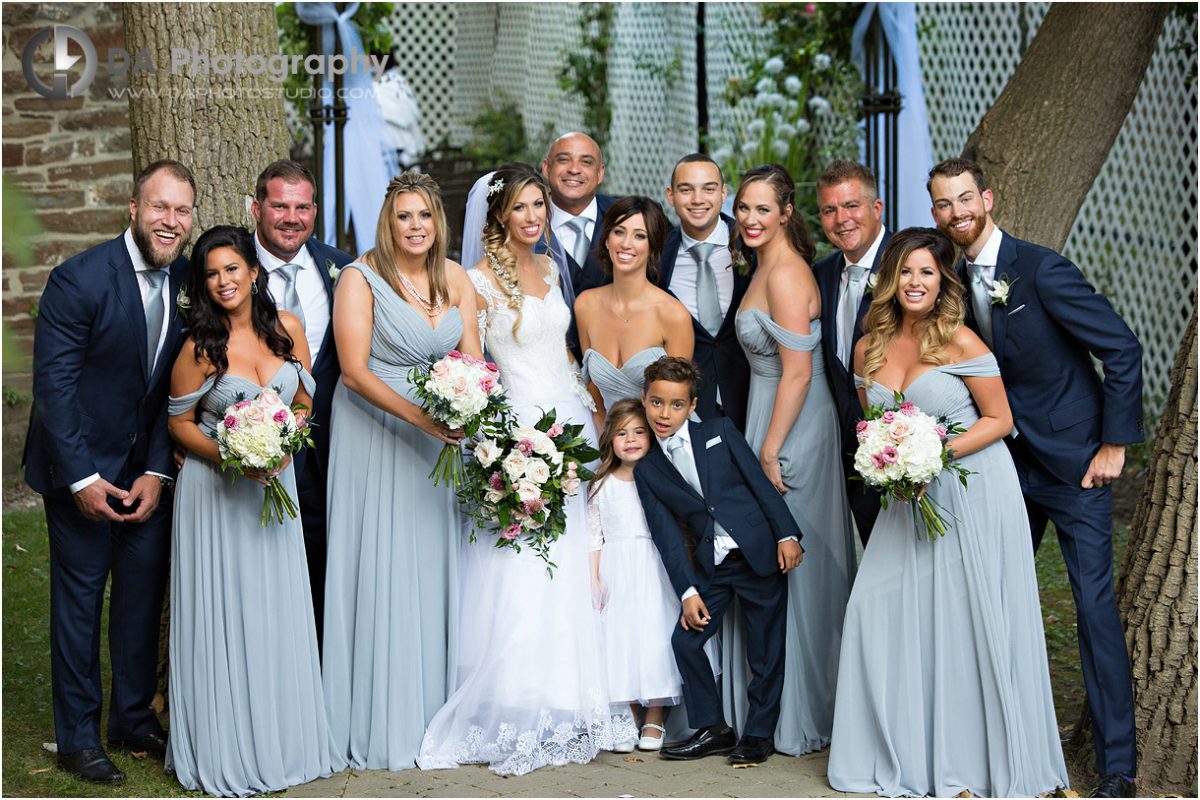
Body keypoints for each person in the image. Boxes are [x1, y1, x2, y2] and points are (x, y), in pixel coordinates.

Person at [927, 158, 1143, 799]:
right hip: (1006, 465)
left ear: (987, 199)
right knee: (992, 596)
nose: (957, 212)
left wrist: (1112, 445)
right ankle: (1001, 747)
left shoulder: (1042, 268)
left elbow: (1122, 348)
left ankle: (1118, 768)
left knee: (1092, 609)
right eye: (944, 204)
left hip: (1077, 467)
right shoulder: (951, 278)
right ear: (935, 211)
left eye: (966, 199)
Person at [827, 227, 1068, 797]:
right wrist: (894, 464)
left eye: (927, 273)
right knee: (874, 610)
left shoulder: (962, 342)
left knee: (962, 621)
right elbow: (875, 428)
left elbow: (1000, 421)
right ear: (890, 279)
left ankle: (964, 766)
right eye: (905, 272)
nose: (915, 282)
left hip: (975, 490)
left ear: (943, 282)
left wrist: (933, 452)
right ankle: (904, 752)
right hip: (907, 498)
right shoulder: (868, 348)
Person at [418, 162, 635, 776]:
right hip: (519, 426)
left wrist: (591, 412)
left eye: (540, 205)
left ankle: (570, 692)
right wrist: (506, 440)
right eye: (521, 207)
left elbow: (563, 351)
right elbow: (475, 363)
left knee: (571, 560)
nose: (535, 216)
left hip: (571, 420)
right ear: (498, 217)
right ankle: (516, 695)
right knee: (520, 561)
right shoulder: (475, 281)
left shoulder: (551, 267)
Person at [23, 159, 195, 785]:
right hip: (79, 471)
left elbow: (169, 390)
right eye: (159, 207)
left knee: (140, 599)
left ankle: (130, 719)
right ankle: (77, 735)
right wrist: (82, 481)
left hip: (144, 473)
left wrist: (157, 471)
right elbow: (55, 391)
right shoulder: (79, 280)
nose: (169, 221)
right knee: (80, 599)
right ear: (133, 208)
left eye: (181, 210)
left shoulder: (188, 286)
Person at [165, 225, 335, 795]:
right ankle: (228, 741)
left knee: (276, 612)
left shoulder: (288, 330)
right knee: (228, 611)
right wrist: (233, 458)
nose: (223, 282)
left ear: (254, 272)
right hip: (218, 496)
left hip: (276, 491)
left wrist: (285, 441)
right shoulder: (199, 347)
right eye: (211, 274)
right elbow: (179, 423)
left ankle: (284, 737)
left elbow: (306, 399)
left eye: (232, 269)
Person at [322, 170, 482, 771]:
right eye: (404, 217)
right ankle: (377, 717)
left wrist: (472, 404)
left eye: (425, 216)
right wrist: (423, 419)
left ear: (439, 223)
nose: (416, 227)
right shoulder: (359, 279)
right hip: (379, 432)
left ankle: (435, 713)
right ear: (388, 223)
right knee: (381, 564)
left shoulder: (455, 278)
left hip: (442, 434)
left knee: (430, 565)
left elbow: (474, 359)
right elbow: (356, 370)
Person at [730, 164, 856, 756]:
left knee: (798, 563)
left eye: (763, 209)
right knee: (776, 564)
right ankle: (777, 703)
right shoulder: (763, 267)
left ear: (786, 213)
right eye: (744, 209)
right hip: (770, 409)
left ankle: (809, 708)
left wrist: (771, 449)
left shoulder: (785, 275)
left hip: (792, 425)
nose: (750, 219)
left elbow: (800, 371)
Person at [634, 356, 803, 766]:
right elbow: (667, 536)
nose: (664, 413)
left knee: (764, 652)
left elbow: (759, 484)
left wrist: (787, 533)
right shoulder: (648, 467)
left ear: (692, 406)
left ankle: (758, 735)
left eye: (676, 405)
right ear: (644, 399)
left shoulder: (720, 431)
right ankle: (714, 728)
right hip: (713, 567)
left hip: (759, 553)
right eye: (656, 403)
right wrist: (688, 592)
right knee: (685, 641)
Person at [251, 160, 355, 648]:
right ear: (256, 208)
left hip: (326, 447)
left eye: (302, 207)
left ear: (315, 211)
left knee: (322, 559)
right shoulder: (227, 267)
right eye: (279, 206)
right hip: (247, 446)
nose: (291, 217)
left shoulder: (342, 266)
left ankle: (314, 672)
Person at [588, 399, 685, 752]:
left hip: (652, 566)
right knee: (620, 639)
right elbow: (593, 535)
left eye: (639, 432)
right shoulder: (600, 483)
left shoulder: (660, 477)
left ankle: (655, 716)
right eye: (622, 433)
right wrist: (595, 577)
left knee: (653, 635)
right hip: (616, 567)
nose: (630, 440)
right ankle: (628, 713)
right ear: (610, 438)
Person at [813, 160, 891, 546]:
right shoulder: (822, 274)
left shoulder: (908, 264)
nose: (841, 219)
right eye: (830, 210)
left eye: (851, 206)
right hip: (851, 452)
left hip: (904, 445)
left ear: (876, 209)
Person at [576, 195, 693, 418]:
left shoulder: (673, 315)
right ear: (607, 239)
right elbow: (595, 395)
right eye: (619, 232)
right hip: (606, 438)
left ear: (652, 247)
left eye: (640, 236)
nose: (626, 243)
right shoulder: (585, 305)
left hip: (660, 440)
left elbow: (677, 405)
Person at [658, 153, 752, 430]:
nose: (698, 199)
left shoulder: (752, 244)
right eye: (686, 189)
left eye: (709, 188)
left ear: (724, 193)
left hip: (753, 401)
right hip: (692, 412)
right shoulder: (657, 256)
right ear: (671, 195)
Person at [540, 132, 615, 357]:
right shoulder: (526, 225)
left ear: (600, 173)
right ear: (546, 168)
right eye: (564, 160)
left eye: (586, 162)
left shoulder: (627, 218)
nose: (574, 169)